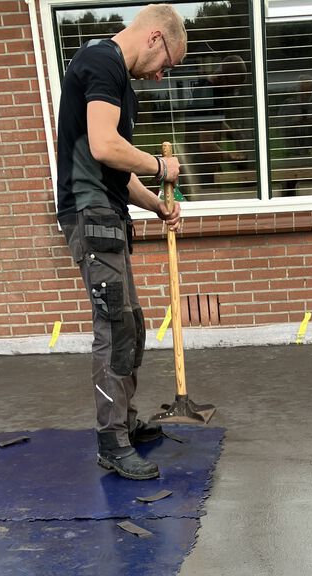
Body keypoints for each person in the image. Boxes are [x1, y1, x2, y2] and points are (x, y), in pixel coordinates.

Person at [56, 5, 187, 480]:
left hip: (108, 214)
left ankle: (124, 424)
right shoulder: (101, 61)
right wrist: (161, 165)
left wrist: (157, 205)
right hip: (89, 214)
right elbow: (104, 145)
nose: (160, 76)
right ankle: (111, 442)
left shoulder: (119, 84)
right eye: (167, 64)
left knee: (130, 323)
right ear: (155, 38)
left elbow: (118, 170)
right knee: (113, 327)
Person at [180, 55, 247, 198]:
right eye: (232, 87)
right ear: (224, 79)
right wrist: (231, 156)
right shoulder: (208, 95)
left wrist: (233, 134)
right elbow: (205, 144)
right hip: (200, 165)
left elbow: (214, 122)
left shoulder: (212, 89)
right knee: (211, 202)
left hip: (206, 163)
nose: (233, 92)